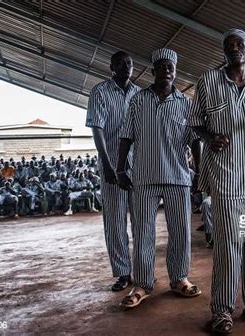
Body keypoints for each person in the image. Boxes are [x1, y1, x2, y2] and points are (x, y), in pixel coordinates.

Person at [190, 28, 245, 333]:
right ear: (224, 53)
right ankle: (223, 310)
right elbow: (196, 125)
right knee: (229, 242)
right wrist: (210, 138)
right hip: (226, 172)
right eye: (229, 46)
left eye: (239, 44)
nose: (235, 49)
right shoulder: (208, 82)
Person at [117, 48, 202, 309]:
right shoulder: (138, 101)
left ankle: (179, 279)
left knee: (181, 231)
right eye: (162, 67)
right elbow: (126, 137)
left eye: (171, 67)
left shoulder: (186, 104)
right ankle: (142, 284)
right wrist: (121, 169)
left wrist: (198, 173)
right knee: (143, 232)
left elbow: (195, 141)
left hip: (178, 176)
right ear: (153, 71)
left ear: (175, 72)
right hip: (144, 177)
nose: (167, 71)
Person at [85, 51, 141, 291]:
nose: (126, 66)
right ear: (111, 67)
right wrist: (107, 165)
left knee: (142, 220)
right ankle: (122, 273)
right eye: (121, 63)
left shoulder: (140, 94)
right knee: (116, 221)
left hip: (138, 165)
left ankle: (142, 269)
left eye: (129, 62)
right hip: (112, 165)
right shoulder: (100, 92)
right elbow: (97, 129)